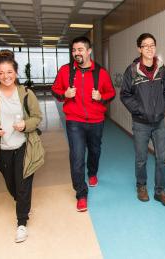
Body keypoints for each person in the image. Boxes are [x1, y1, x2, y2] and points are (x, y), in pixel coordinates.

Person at [0, 50, 44, 243]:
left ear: (16, 72)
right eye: (1, 73)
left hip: (24, 146)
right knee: (12, 185)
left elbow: (37, 117)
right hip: (2, 149)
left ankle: (21, 222)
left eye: (9, 72)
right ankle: (23, 203)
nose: (6, 76)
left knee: (22, 184)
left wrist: (25, 125)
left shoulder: (26, 93)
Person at [52, 36, 115, 212]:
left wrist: (101, 97)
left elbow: (111, 93)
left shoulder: (101, 73)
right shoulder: (65, 71)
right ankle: (81, 193)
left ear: (89, 51)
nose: (76, 53)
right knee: (77, 156)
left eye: (80, 50)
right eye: (74, 50)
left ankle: (93, 173)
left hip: (96, 121)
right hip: (74, 121)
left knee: (95, 151)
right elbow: (55, 90)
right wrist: (65, 94)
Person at [120, 33, 165, 208]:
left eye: (152, 45)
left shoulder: (161, 68)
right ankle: (141, 186)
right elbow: (125, 95)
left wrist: (161, 107)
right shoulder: (132, 70)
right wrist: (140, 111)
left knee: (161, 158)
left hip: (159, 123)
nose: (150, 48)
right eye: (146, 45)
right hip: (141, 124)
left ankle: (160, 191)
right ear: (139, 49)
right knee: (141, 158)